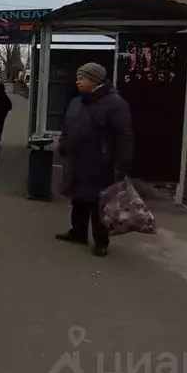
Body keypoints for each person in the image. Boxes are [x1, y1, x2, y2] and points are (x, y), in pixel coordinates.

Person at [55, 62, 133, 257]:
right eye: (78, 77)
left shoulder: (115, 104)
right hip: (77, 159)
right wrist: (63, 146)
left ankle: (101, 242)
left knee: (98, 204)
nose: (78, 81)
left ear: (95, 81)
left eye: (82, 78)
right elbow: (67, 125)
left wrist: (120, 166)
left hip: (101, 163)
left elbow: (125, 137)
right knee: (79, 199)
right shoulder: (77, 101)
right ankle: (78, 232)